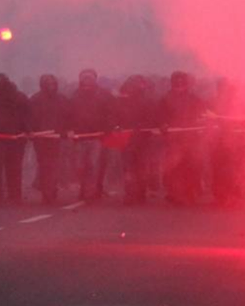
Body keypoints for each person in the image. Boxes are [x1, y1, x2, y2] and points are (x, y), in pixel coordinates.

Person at [68, 69, 116, 201]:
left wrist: (107, 128)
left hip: (97, 137)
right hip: (80, 137)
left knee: (93, 165)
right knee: (80, 166)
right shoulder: (75, 95)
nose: (87, 81)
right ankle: (84, 188)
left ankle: (90, 192)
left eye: (90, 78)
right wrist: (70, 129)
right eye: (84, 78)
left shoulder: (104, 95)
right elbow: (69, 115)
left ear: (95, 79)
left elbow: (111, 113)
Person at [160, 71, 207, 205]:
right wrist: (163, 125)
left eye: (182, 81)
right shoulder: (165, 99)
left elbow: (202, 115)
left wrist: (200, 125)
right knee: (173, 168)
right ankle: (174, 193)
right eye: (177, 81)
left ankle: (190, 193)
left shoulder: (195, 99)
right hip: (173, 139)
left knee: (190, 167)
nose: (179, 84)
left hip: (190, 139)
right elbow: (159, 116)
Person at [0, 73, 30, 204]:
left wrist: (26, 131)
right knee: (5, 168)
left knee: (4, 168)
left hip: (14, 137)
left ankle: (8, 194)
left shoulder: (17, 97)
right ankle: (9, 194)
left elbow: (27, 115)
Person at [118, 75, 158, 205]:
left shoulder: (147, 101)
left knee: (138, 168)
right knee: (130, 169)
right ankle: (132, 194)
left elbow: (153, 118)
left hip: (142, 140)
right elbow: (116, 116)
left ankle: (139, 194)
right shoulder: (122, 101)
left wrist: (143, 127)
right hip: (128, 140)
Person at [29, 74, 69, 204]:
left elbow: (68, 116)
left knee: (53, 165)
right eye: (48, 83)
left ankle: (50, 190)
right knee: (44, 165)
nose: (51, 86)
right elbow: (29, 118)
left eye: (53, 83)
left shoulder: (62, 99)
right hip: (41, 138)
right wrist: (32, 131)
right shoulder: (35, 99)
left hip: (57, 138)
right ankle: (47, 191)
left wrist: (64, 131)